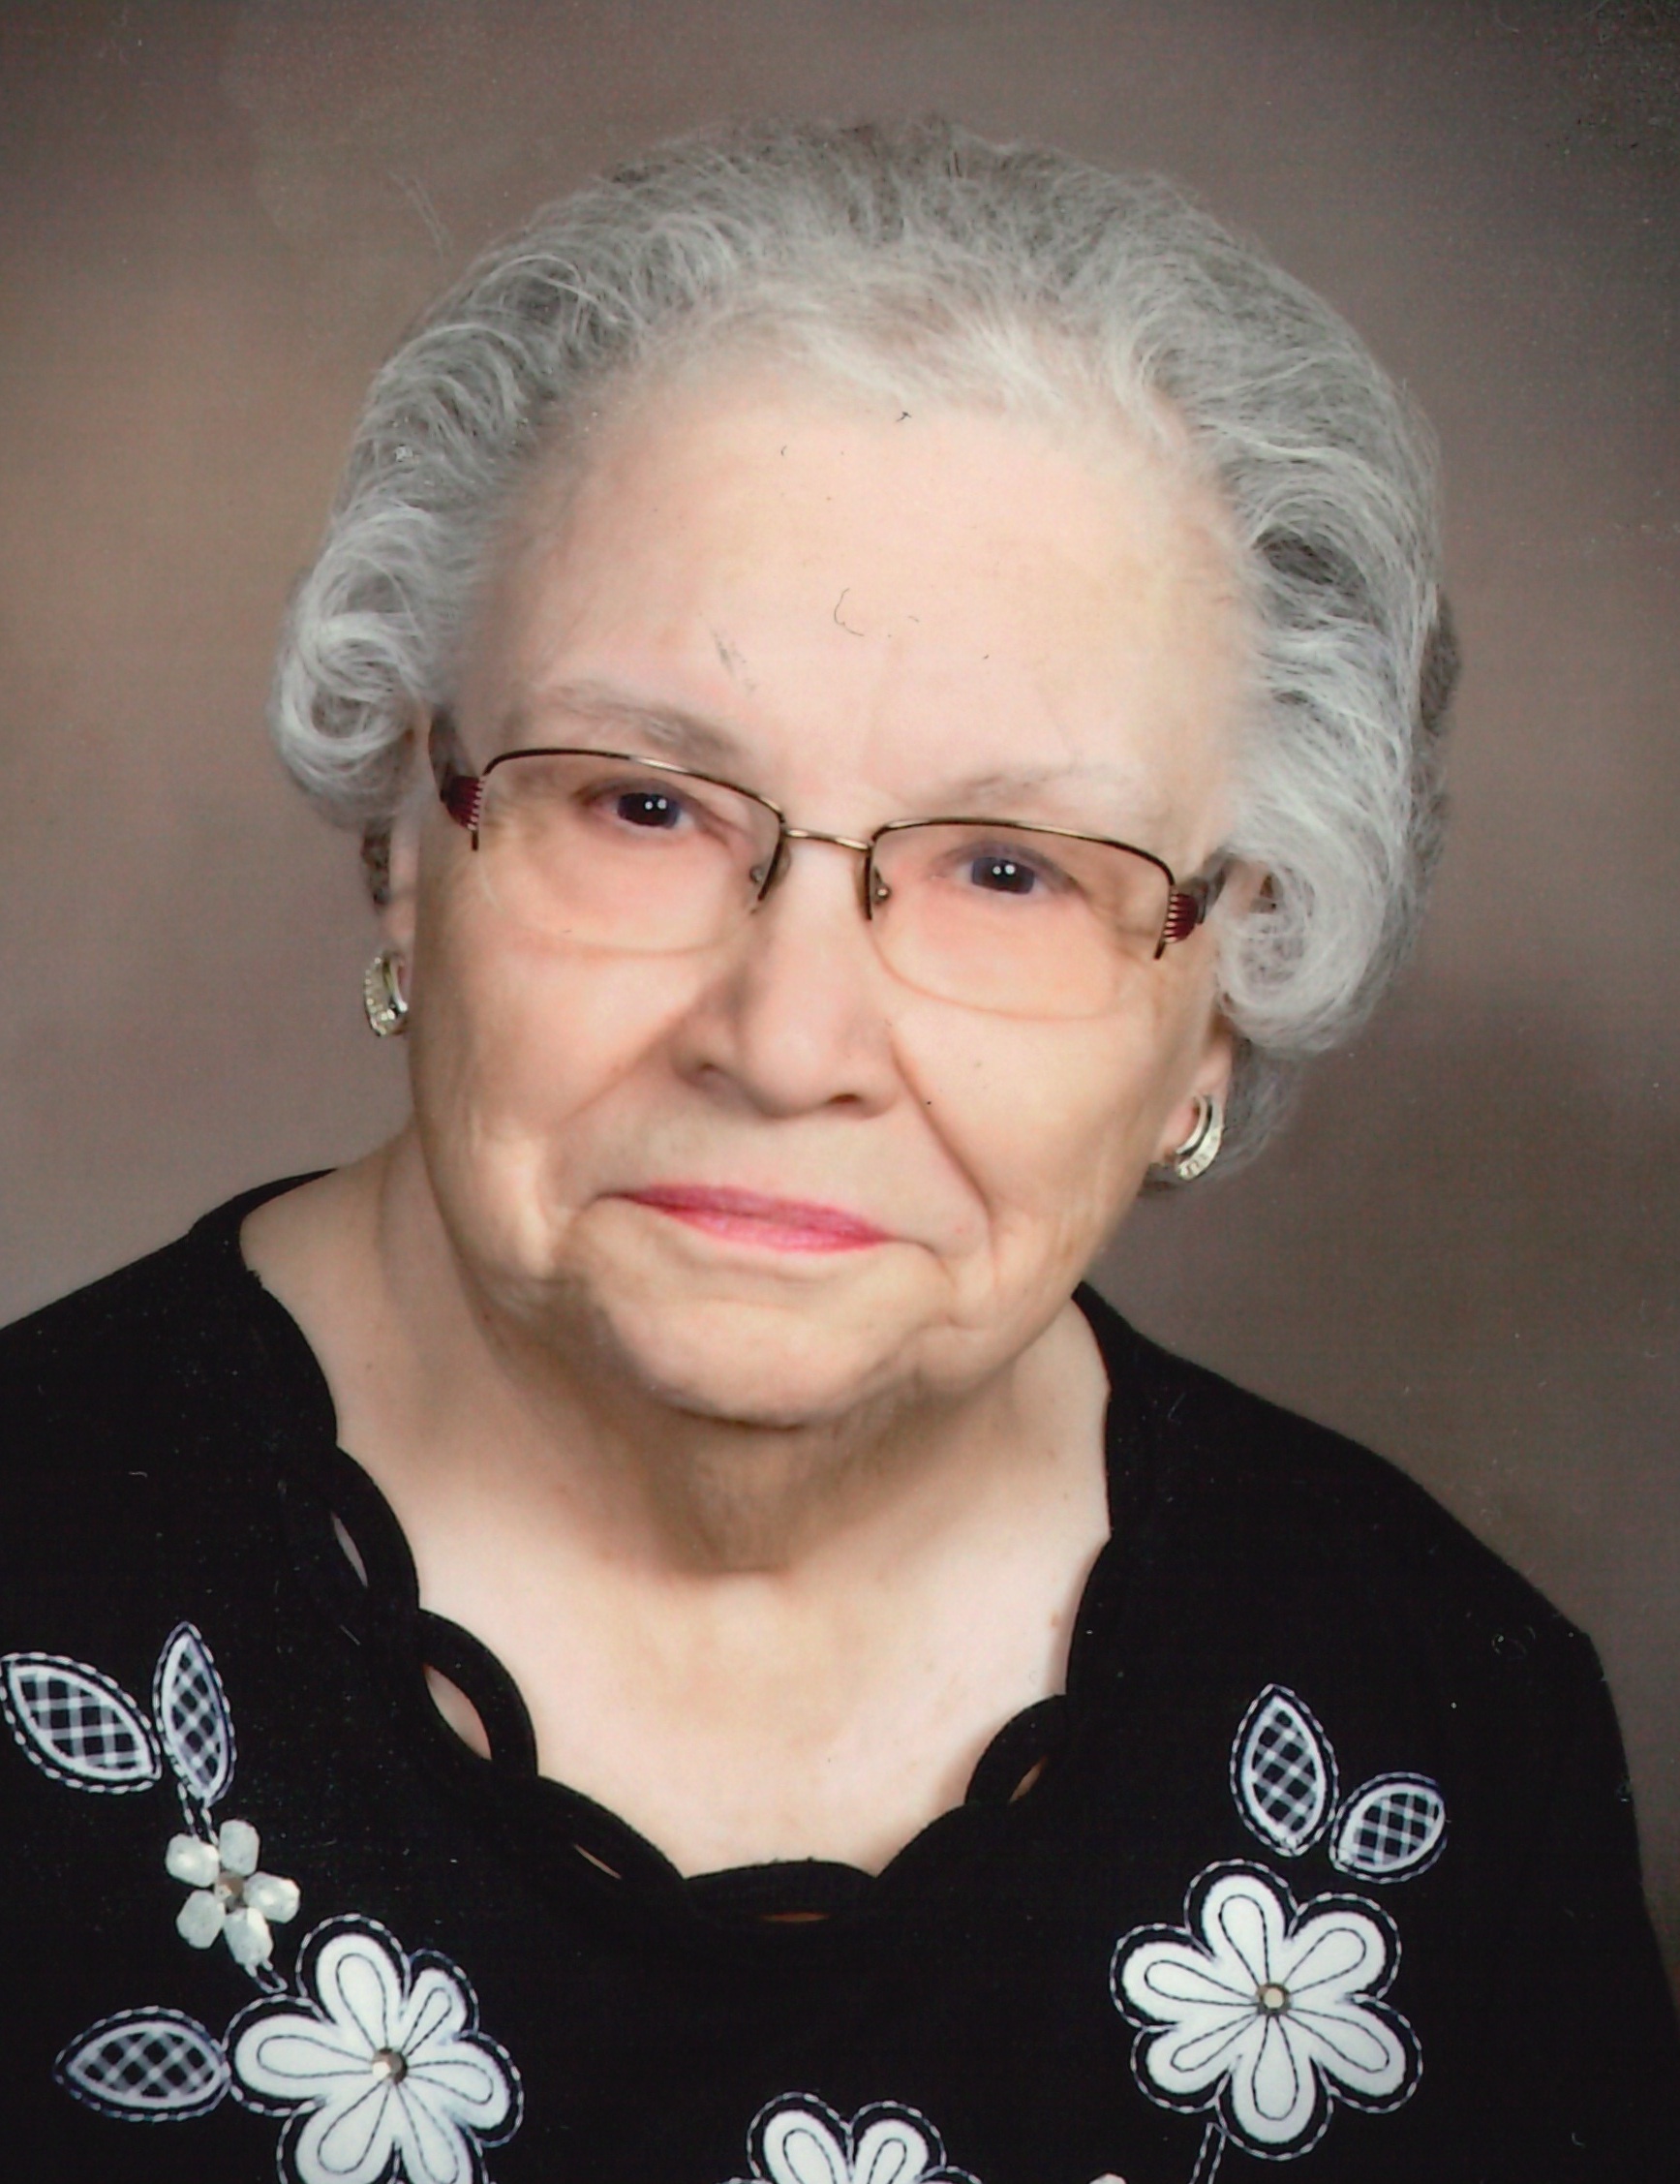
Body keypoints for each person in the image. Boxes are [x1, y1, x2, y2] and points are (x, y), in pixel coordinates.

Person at [0, 118, 1672, 2184]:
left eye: (1009, 867)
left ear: (1221, 1002)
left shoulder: (1452, 1721)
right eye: (641, 805)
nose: (788, 1042)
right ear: (405, 849)